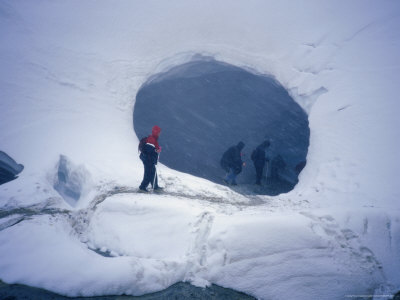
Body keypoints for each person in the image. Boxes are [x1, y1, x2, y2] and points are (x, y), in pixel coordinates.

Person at [139, 125, 162, 192]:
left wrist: (156, 150)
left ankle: (155, 186)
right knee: (148, 173)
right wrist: (156, 150)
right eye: (159, 132)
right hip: (148, 160)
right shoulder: (152, 139)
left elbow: (150, 149)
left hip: (148, 159)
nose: (160, 133)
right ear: (156, 132)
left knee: (153, 173)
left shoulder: (152, 138)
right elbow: (149, 150)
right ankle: (142, 187)